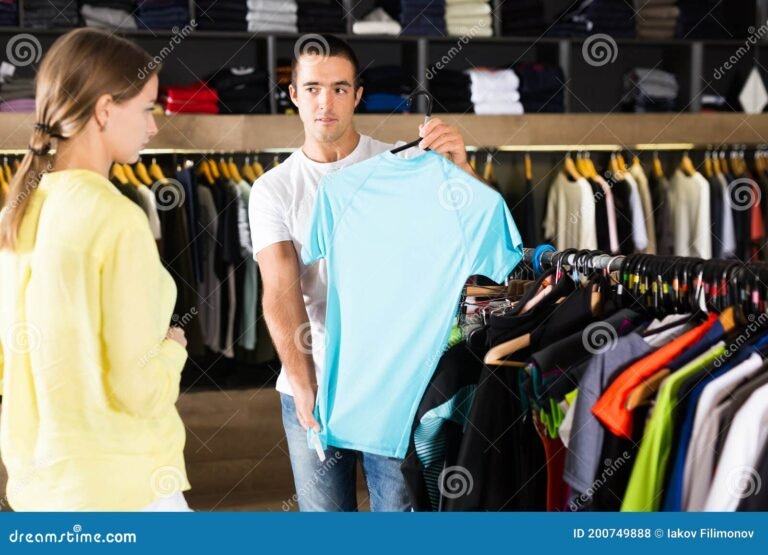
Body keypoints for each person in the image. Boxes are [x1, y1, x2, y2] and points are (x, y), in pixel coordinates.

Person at [249, 34, 479, 511]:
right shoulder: (273, 189)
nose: (324, 102)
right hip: (313, 380)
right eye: (312, 88)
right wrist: (304, 382)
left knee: (399, 514)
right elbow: (280, 290)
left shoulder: (405, 163)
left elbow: (471, 234)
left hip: (395, 380)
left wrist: (461, 166)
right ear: (293, 94)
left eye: (338, 88)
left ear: (357, 95)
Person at [0, 28, 191, 511]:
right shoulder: (117, 218)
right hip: (127, 488)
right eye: (147, 108)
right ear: (105, 110)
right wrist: (172, 352)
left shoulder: (17, 213)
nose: (153, 128)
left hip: (38, 487)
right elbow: (135, 388)